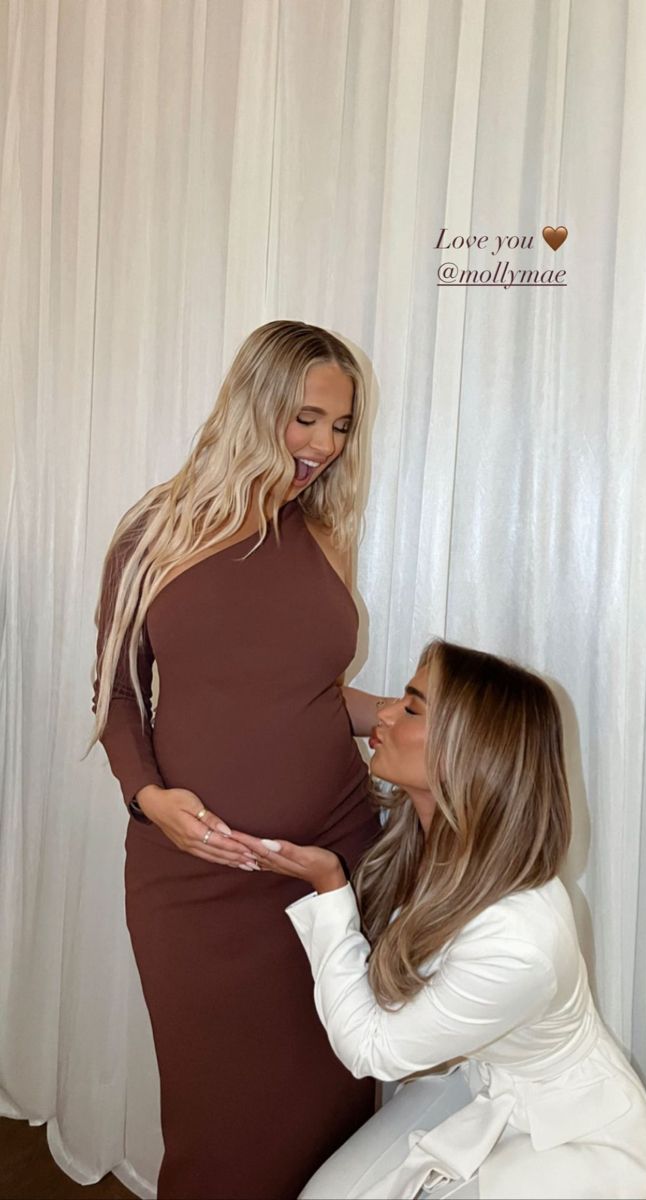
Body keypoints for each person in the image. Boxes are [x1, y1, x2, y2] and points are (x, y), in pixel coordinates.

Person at [89, 321, 392, 1200]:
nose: (324, 446)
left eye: (340, 426)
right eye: (306, 419)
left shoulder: (326, 533)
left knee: (329, 1112)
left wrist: (413, 718)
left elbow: (310, 693)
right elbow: (112, 698)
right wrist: (149, 798)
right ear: (254, 405)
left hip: (328, 877)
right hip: (195, 886)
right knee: (215, 1124)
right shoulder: (155, 531)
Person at [229, 639, 646, 1200]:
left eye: (412, 707)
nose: (383, 712)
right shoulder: (429, 842)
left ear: (469, 751)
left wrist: (329, 889)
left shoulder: (519, 940)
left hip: (573, 1141)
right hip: (486, 1084)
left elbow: (373, 1050)